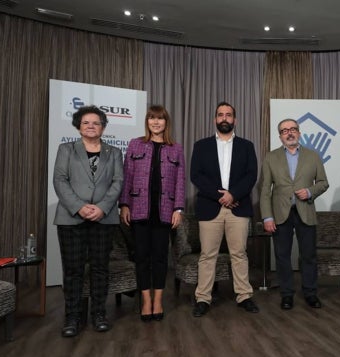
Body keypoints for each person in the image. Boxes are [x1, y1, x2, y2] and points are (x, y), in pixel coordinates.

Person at [53, 105, 123, 337]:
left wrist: (102, 208)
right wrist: (80, 207)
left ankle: (99, 314)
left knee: (100, 269)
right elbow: (60, 181)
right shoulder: (66, 150)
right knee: (73, 270)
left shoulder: (114, 152)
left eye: (96, 122)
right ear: (78, 126)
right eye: (86, 122)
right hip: (72, 218)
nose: (91, 126)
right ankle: (72, 317)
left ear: (103, 127)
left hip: (103, 219)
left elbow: (117, 182)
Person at [190, 102, 259, 317]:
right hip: (210, 207)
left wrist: (233, 195)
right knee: (207, 255)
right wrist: (222, 196)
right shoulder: (201, 145)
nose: (224, 118)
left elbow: (251, 175)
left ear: (235, 120)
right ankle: (203, 298)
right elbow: (196, 175)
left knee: (239, 254)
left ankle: (244, 296)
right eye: (220, 115)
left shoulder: (247, 146)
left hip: (238, 208)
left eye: (229, 115)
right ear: (215, 119)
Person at [119, 105, 185, 322]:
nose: (156, 122)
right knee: (142, 258)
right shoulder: (135, 144)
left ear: (166, 122)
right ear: (147, 122)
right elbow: (127, 176)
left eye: (160, 119)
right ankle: (145, 300)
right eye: (152, 118)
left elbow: (180, 182)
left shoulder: (176, 148)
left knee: (160, 258)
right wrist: (125, 204)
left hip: (165, 211)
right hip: (139, 210)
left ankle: (158, 300)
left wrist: (178, 208)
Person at [259, 118, 329, 310]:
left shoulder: (313, 156)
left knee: (309, 255)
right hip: (280, 214)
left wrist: (309, 192)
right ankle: (287, 294)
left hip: (305, 210)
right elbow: (265, 190)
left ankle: (310, 293)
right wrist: (267, 216)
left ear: (299, 132)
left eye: (293, 129)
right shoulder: (271, 157)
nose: (289, 133)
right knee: (282, 256)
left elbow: (323, 182)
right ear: (280, 136)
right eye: (284, 131)